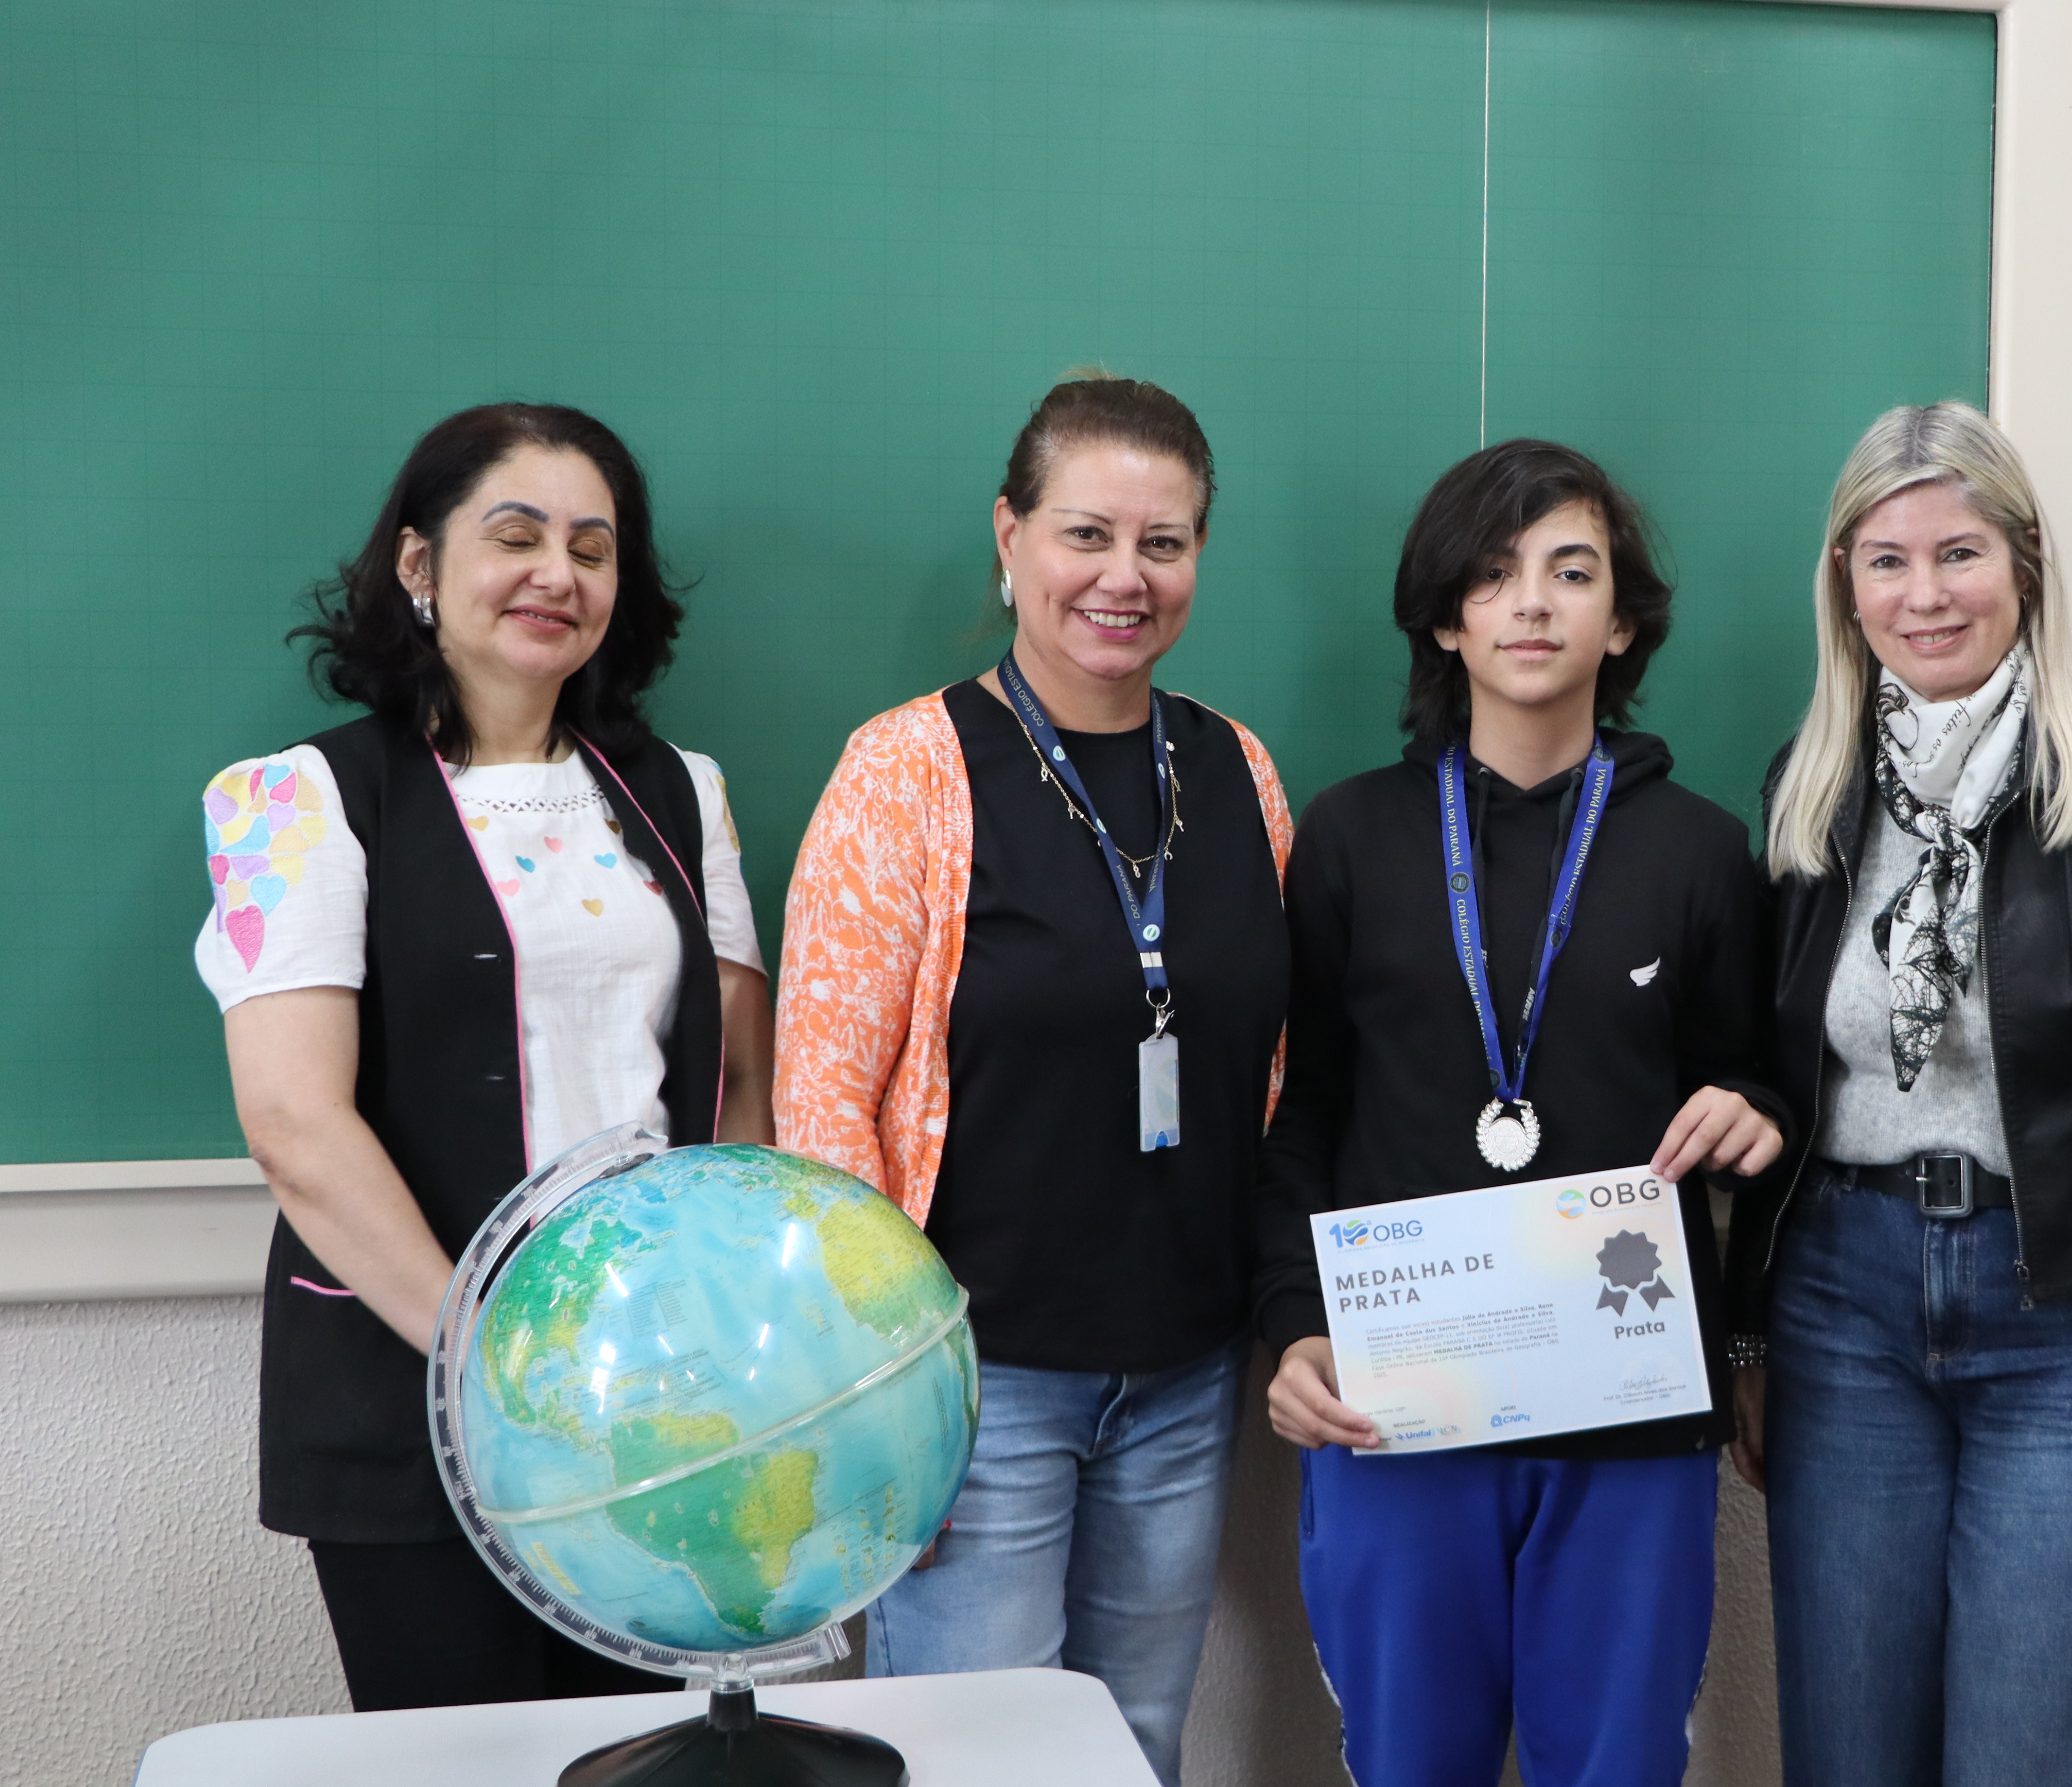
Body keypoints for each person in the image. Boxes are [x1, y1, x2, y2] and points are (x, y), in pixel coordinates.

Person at [198, 403, 773, 1712]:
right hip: (416, 1402)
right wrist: (498, 1365)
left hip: (651, 1404)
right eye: (515, 537)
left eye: (592, 548)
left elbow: (739, 1083)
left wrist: (719, 1332)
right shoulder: (295, 801)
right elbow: (294, 1122)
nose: (557, 574)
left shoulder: (684, 793)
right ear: (420, 563)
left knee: (642, 1757)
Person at [1723, 401, 2072, 1787]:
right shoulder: (1810, 788)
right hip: (1843, 1311)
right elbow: (1777, 1084)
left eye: (1959, 554)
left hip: (2070, 1323)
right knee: (1851, 1754)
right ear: (1845, 583)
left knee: (2030, 1754)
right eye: (1887, 561)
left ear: (2024, 562)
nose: (1926, 596)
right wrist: (1750, 1339)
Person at [771, 374, 1289, 1785]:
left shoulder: (1238, 769)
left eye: (1164, 542)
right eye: (1086, 534)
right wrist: (888, 1396)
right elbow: (821, 1103)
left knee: (1135, 1751)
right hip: (974, 1386)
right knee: (980, 1766)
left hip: (1183, 1373)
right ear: (1011, 537)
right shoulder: (905, 772)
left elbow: (1271, 1063)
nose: (1126, 577)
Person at [1256, 439, 1785, 1787]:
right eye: (1493, 575)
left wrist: (1756, 1110)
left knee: (1615, 1765)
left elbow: (1759, 1081)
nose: (1533, 603)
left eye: (1572, 571)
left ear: (1625, 621)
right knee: (1409, 1762)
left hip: (1631, 1413)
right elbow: (1302, 1108)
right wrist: (1295, 1324)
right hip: (1400, 1401)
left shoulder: (1702, 851)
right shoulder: (1353, 838)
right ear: (1447, 619)